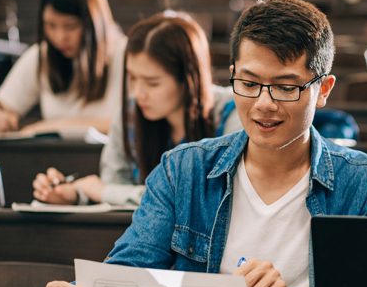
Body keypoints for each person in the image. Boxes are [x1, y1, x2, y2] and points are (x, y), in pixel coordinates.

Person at [40, 0, 367, 287]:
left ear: (323, 90)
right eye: (248, 83)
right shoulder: (183, 170)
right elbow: (130, 268)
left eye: (286, 88)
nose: (263, 104)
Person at [31, 12, 242, 206]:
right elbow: (111, 190)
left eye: (152, 83)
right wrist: (75, 195)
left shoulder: (233, 111)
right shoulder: (131, 114)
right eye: (133, 78)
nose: (138, 93)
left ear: (189, 80)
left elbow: (206, 200)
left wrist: (103, 192)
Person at [0, 0, 125, 134]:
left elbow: (128, 126)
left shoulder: (125, 55)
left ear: (94, 24)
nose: (59, 37)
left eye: (70, 26)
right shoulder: (41, 57)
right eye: (51, 25)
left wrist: (48, 127)